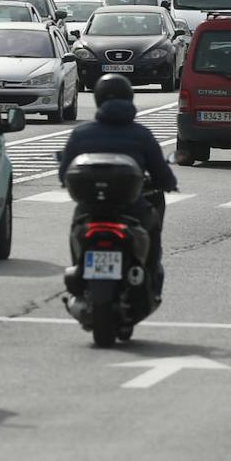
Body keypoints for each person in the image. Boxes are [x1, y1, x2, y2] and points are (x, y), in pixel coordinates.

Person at [59, 73, 177, 297]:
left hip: (91, 208)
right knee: (151, 228)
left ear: (98, 99)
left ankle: (79, 270)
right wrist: (169, 183)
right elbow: (161, 172)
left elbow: (64, 172)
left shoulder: (81, 133)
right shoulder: (141, 134)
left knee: (76, 229)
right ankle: (149, 278)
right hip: (131, 207)